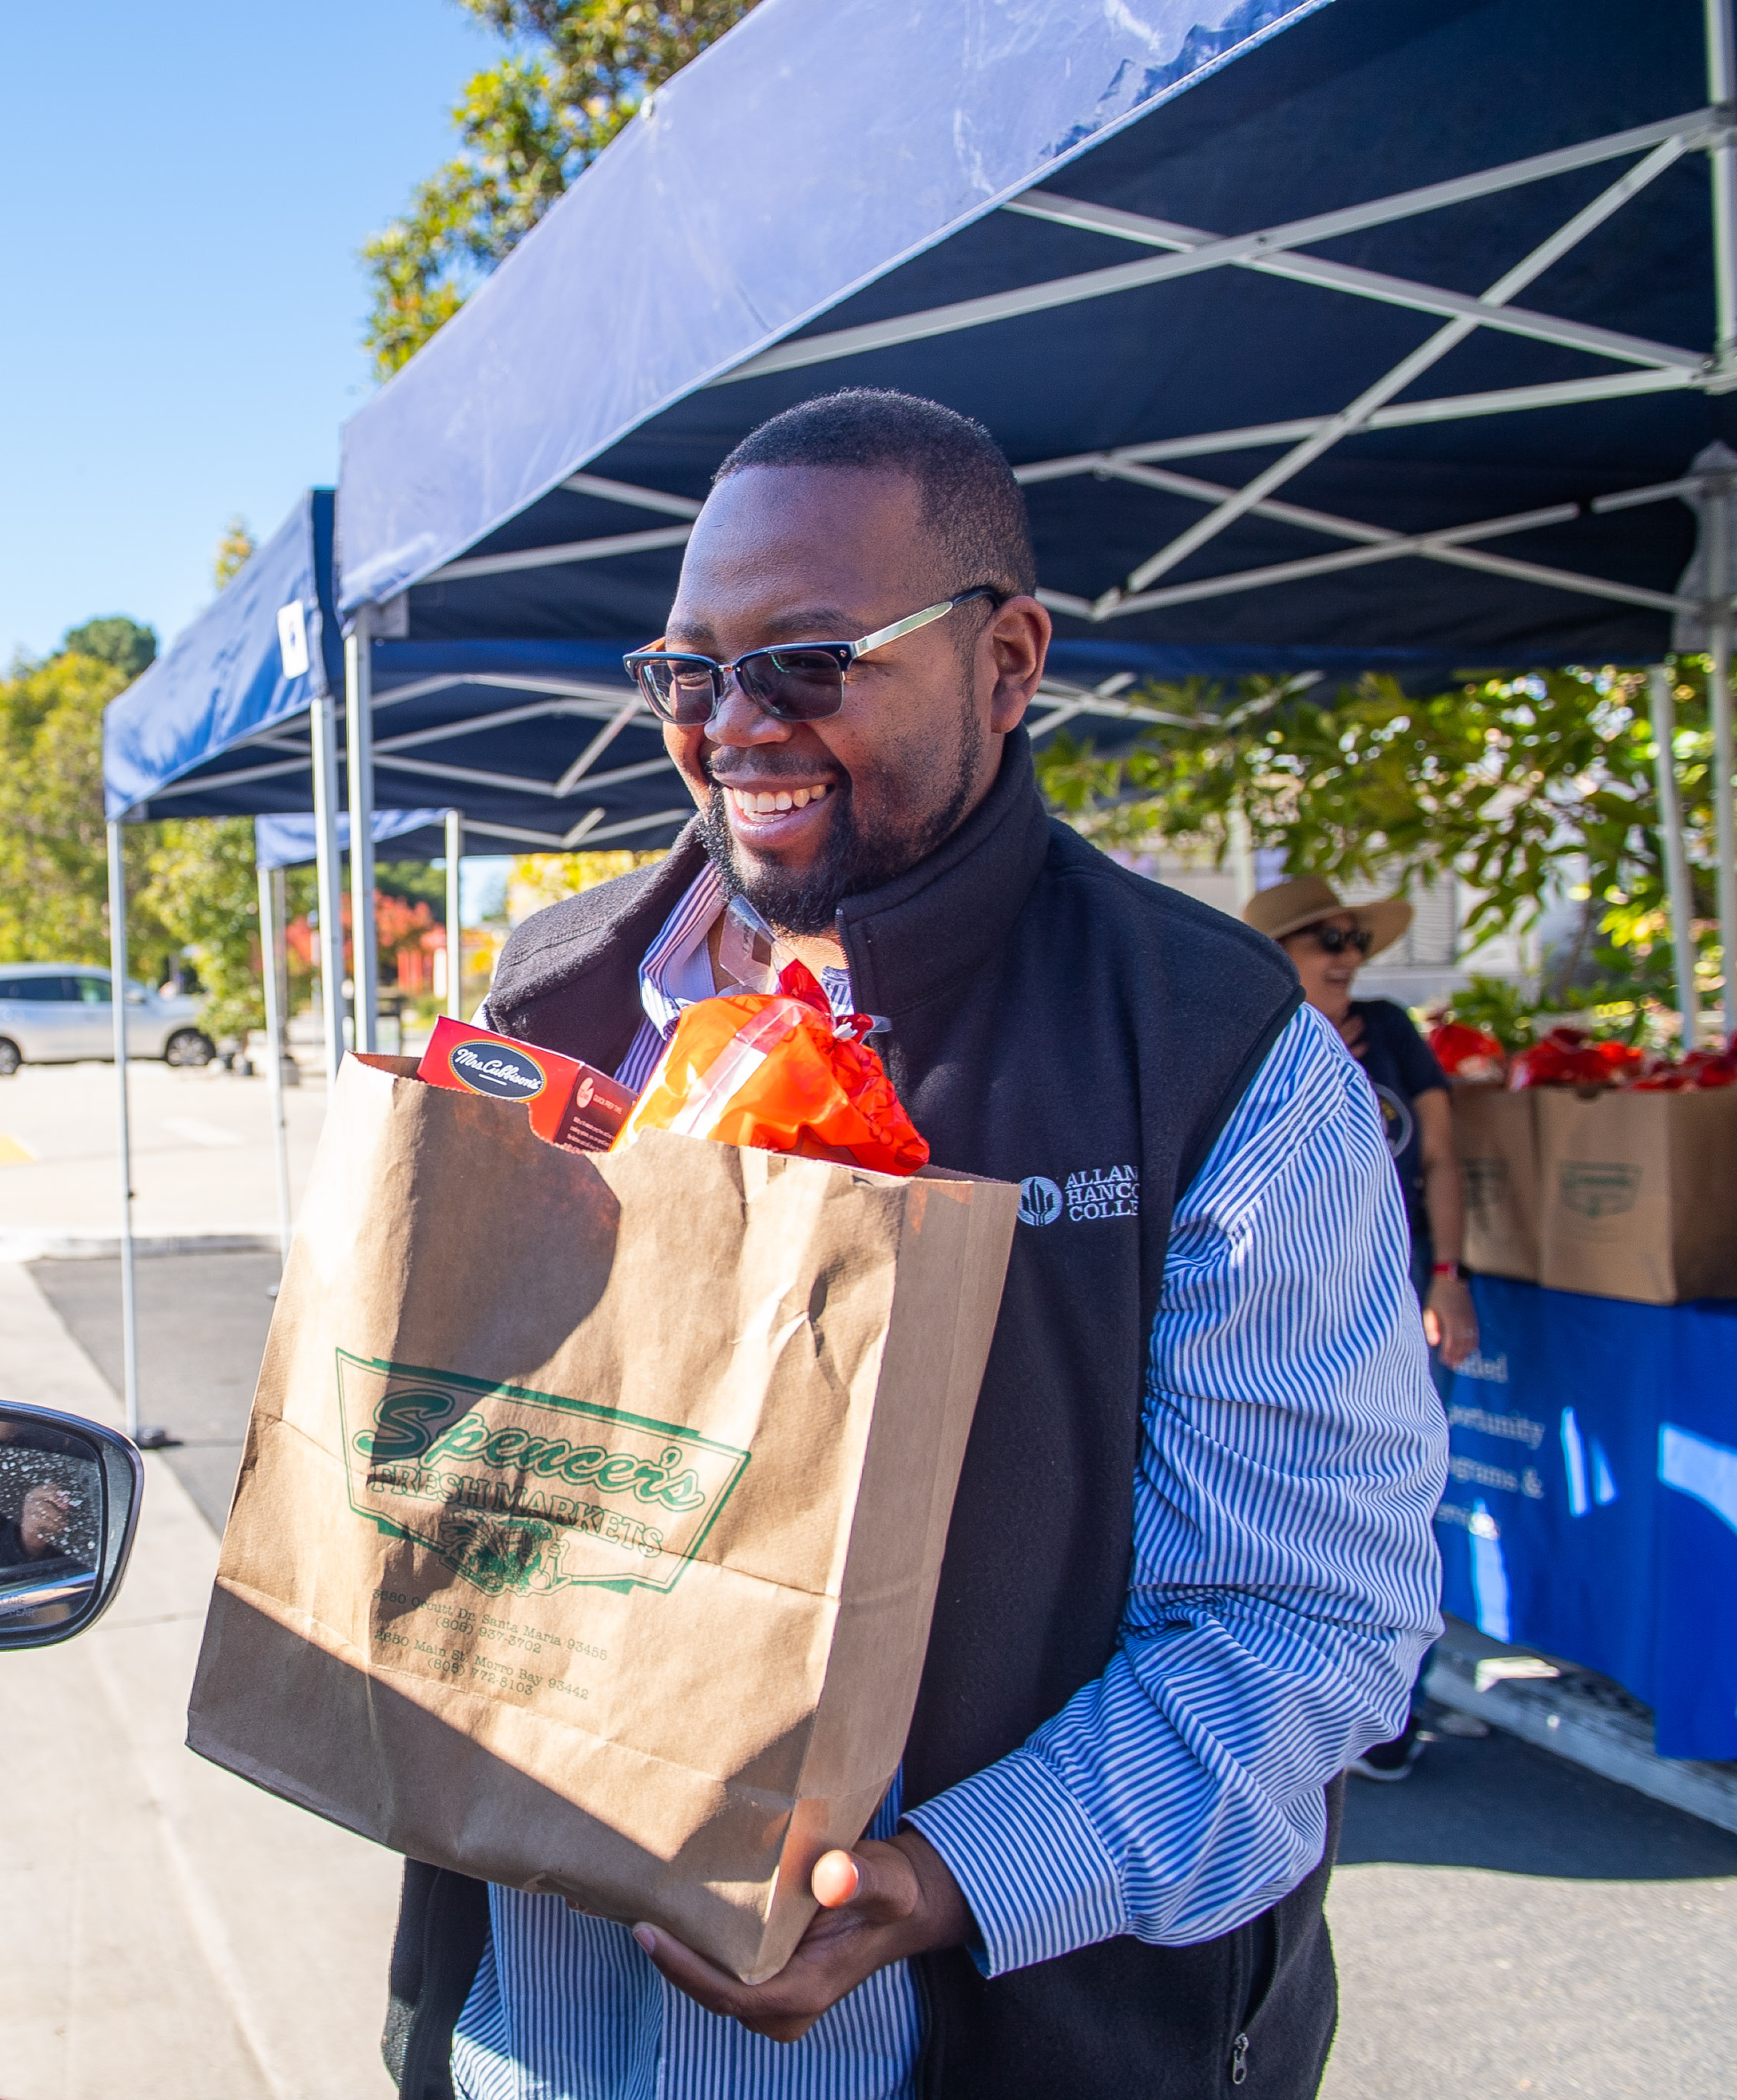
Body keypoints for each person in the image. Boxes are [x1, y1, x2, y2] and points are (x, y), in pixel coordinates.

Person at [391, 389, 1444, 2100]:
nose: (733, 724)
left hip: (1001, 2044)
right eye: (688, 670)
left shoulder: (1207, 1055)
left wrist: (947, 1875)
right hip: (535, 2029)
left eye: (805, 661)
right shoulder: (547, 996)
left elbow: (1306, 1618)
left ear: (1005, 660)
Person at [1243, 874, 1480, 1371]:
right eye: (1330, 941)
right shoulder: (1241, 1051)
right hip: (1289, 1277)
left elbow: (1438, 1157)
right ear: (1275, 955)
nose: (1349, 957)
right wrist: (1315, 1074)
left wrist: (1447, 1273)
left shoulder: (1388, 1027)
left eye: (1357, 940)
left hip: (1401, 1262)